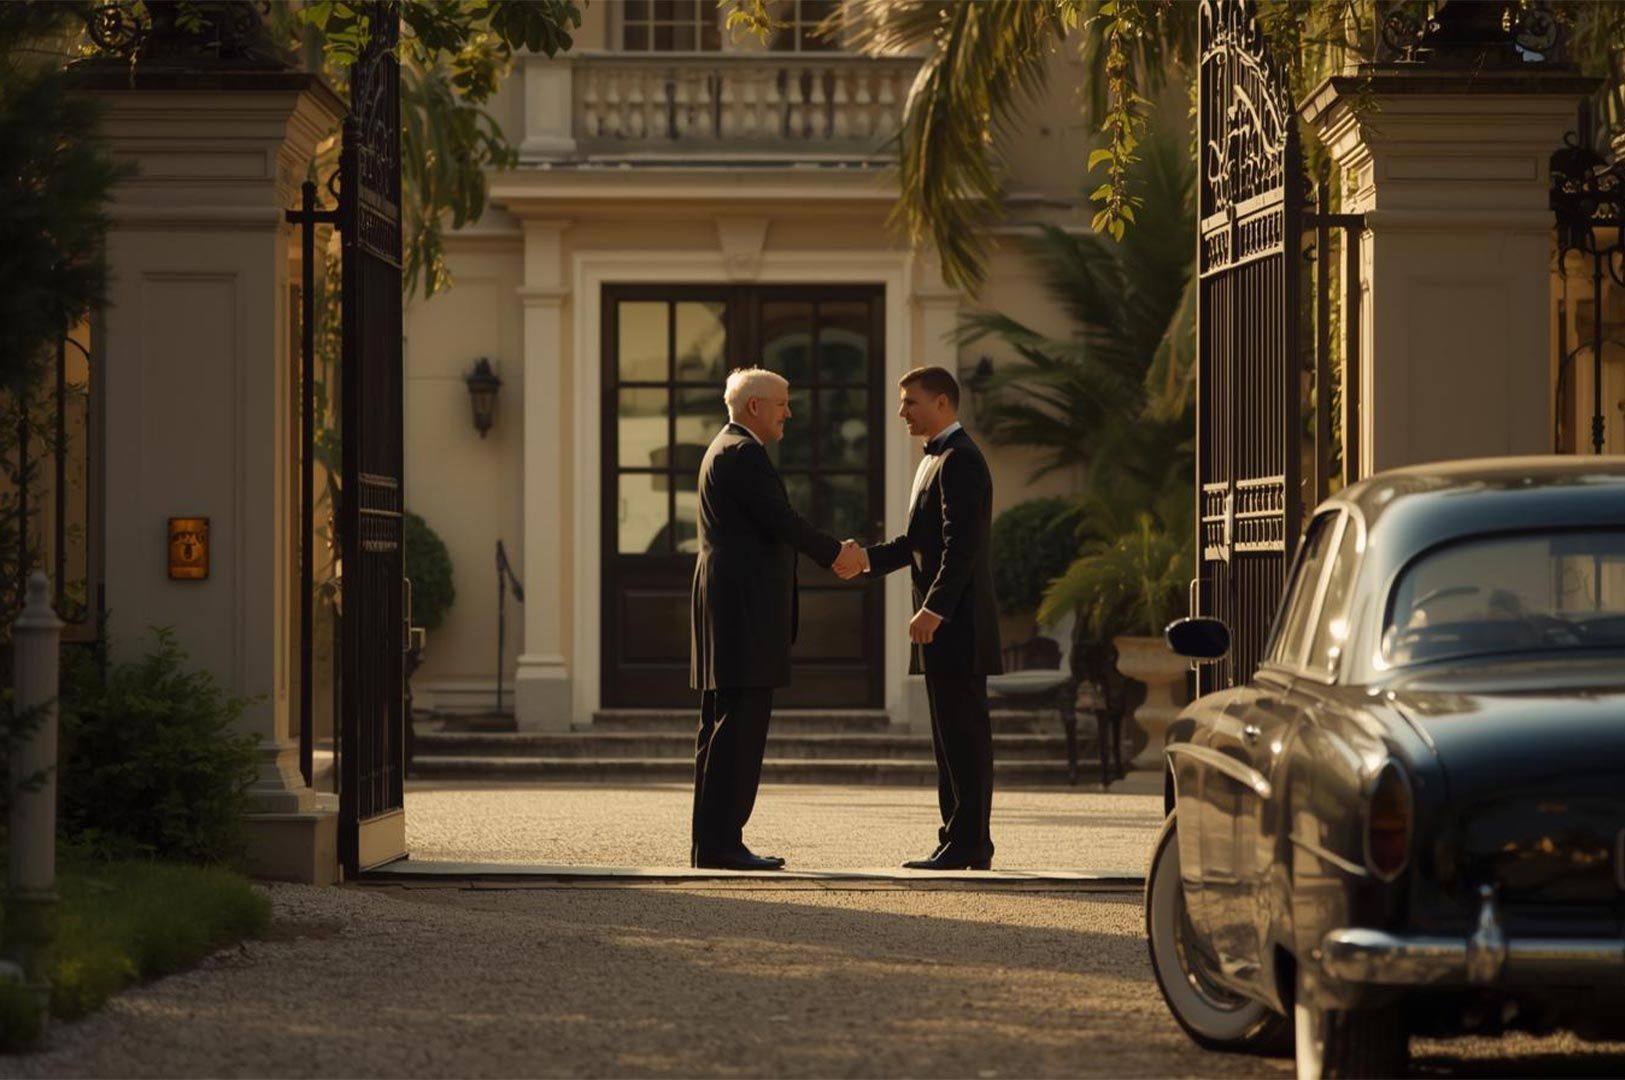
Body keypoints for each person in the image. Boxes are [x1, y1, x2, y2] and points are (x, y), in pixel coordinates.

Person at [690, 367, 864, 871]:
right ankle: (723, 845)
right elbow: (782, 522)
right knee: (738, 730)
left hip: (728, 605)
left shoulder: (723, 448)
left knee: (721, 728)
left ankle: (713, 843)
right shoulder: (744, 454)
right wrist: (837, 554)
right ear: (755, 407)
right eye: (783, 403)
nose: (789, 412)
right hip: (743, 609)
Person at [847, 366, 1002, 870]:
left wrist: (933, 608)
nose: (901, 412)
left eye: (910, 402)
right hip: (944, 624)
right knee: (948, 737)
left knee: (964, 737)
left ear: (941, 402)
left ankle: (969, 843)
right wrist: (863, 560)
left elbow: (964, 548)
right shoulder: (935, 460)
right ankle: (956, 838)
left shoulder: (961, 460)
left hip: (957, 623)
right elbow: (917, 544)